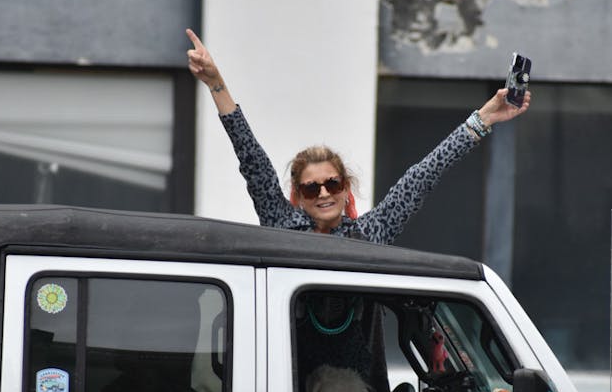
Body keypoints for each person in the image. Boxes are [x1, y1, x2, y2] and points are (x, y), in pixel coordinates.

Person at [186, 28, 531, 245]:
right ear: (299, 196)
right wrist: (216, 83)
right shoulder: (281, 226)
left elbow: (422, 176)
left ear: (345, 187)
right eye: (312, 188)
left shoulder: (370, 233)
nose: (324, 193)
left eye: (332, 184)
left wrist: (483, 119)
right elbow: (252, 160)